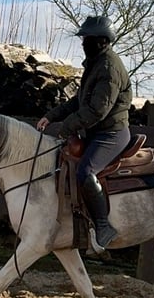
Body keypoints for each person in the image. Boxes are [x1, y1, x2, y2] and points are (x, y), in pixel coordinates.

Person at [37, 15, 132, 250]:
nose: (82, 43)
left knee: (86, 172)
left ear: (101, 40)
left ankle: (103, 226)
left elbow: (97, 110)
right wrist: (52, 116)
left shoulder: (109, 68)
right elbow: (79, 101)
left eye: (86, 38)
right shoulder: (96, 63)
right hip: (95, 132)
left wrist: (66, 127)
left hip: (111, 134)